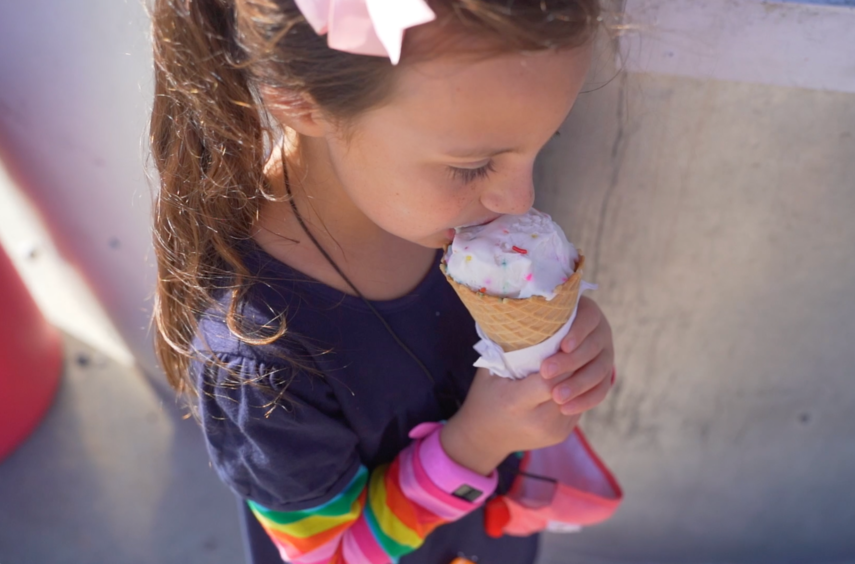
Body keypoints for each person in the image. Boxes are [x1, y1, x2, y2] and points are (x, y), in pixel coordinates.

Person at [148, 0, 616, 563]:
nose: (522, 200)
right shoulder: (260, 363)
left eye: (545, 142)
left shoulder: (441, 206)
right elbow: (333, 555)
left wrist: (561, 346)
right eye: (472, 166)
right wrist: (477, 443)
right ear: (301, 99)